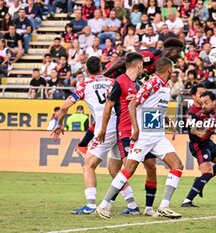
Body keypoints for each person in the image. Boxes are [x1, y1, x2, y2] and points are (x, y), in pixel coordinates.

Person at [96, 57, 183, 219]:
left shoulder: (164, 85)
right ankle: (103, 205)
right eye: (173, 69)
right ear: (169, 69)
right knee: (128, 169)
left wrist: (169, 123)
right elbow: (132, 105)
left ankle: (164, 206)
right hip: (145, 136)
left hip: (158, 136)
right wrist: (135, 129)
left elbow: (155, 107)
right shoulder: (153, 83)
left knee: (177, 165)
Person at [51, 56, 138, 215]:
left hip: (105, 130)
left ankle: (90, 205)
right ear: (100, 67)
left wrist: (59, 123)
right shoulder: (113, 82)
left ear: (86, 70)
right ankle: (132, 206)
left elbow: (64, 107)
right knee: (114, 169)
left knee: (88, 165)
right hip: (121, 128)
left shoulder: (85, 86)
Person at [96, 52, 159, 216]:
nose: (143, 68)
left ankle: (146, 207)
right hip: (125, 131)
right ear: (139, 65)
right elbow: (108, 106)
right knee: (122, 169)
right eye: (142, 65)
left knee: (150, 166)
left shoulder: (138, 85)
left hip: (141, 132)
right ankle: (115, 204)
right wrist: (102, 129)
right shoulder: (120, 82)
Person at [181, 84, 216, 208]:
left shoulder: (207, 109)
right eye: (200, 93)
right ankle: (187, 200)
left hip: (208, 142)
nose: (203, 94)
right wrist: (205, 133)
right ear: (194, 96)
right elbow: (195, 133)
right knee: (208, 171)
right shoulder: (191, 113)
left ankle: (199, 181)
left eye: (205, 91)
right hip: (198, 145)